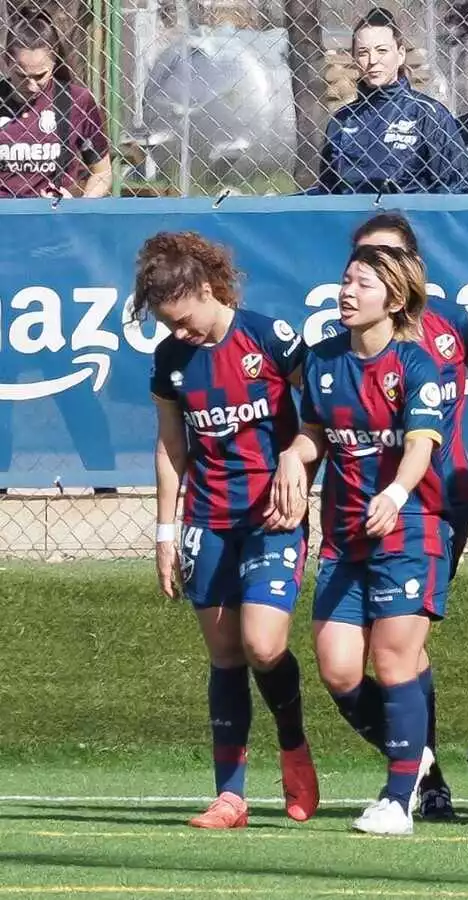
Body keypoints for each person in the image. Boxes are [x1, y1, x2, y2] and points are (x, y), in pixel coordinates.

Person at [138, 232, 318, 829]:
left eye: (183, 319)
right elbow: (171, 446)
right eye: (168, 324)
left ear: (208, 289)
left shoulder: (270, 338)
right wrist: (165, 532)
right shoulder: (171, 360)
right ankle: (230, 797)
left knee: (263, 645)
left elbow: (319, 415)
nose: (179, 332)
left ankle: (293, 745)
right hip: (207, 520)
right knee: (224, 655)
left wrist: (294, 458)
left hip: (273, 518)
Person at [271, 243, 448, 837]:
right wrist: (294, 455)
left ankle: (398, 801)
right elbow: (315, 433)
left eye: (363, 283)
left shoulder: (415, 365)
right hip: (345, 538)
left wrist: (395, 493)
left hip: (410, 531)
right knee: (339, 671)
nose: (347, 292)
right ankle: (415, 754)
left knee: (395, 661)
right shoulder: (323, 360)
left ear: (394, 299)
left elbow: (420, 445)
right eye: (345, 280)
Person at [351, 212, 468, 819]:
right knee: (371, 655)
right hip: (365, 510)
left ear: (411, 265)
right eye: (363, 257)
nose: (372, 267)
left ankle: (419, 781)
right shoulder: (349, 339)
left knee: (405, 644)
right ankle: (421, 763)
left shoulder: (453, 323)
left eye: (387, 255)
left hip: (438, 503)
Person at [313, 8, 468, 194]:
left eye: (382, 50)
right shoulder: (341, 120)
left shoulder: (428, 114)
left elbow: (457, 186)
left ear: (400, 54)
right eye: (363, 52)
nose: (372, 60)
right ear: (354, 59)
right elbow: (327, 192)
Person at [0, 5, 111, 198]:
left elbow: (102, 172)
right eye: (21, 76)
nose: (32, 86)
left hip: (53, 212)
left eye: (40, 76)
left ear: (54, 61)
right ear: (7, 61)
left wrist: (79, 206)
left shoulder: (76, 100)